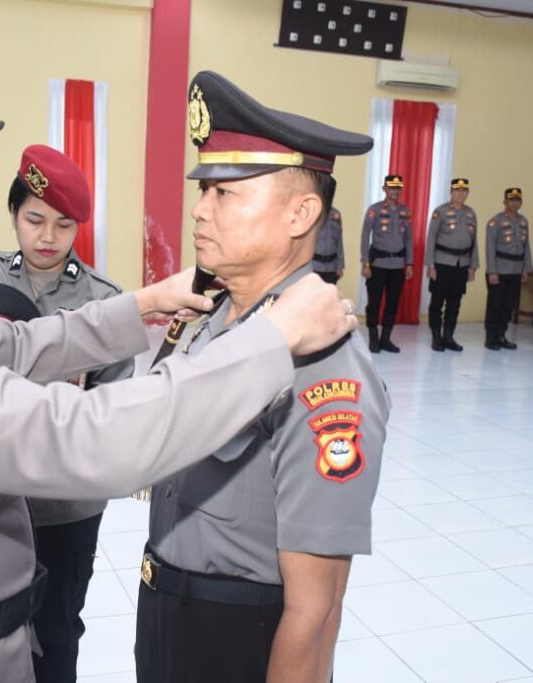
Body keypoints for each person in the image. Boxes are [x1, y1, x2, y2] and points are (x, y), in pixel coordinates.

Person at [0, 54, 356, 683]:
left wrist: (143, 303)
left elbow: (11, 346)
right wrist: (272, 339)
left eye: (225, 192)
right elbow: (84, 439)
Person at [135, 70, 390, 683]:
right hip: (165, 609)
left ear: (301, 213)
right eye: (204, 190)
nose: (200, 209)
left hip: (239, 638)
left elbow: (315, 609)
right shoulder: (211, 316)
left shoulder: (323, 363)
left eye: (225, 193)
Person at [0, 144, 133, 682]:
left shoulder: (102, 300)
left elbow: (115, 406)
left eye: (63, 224)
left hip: (65, 504)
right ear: (13, 215)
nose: (48, 237)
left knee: (57, 632)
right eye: (34, 220)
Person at [360, 175, 413, 353]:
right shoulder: (374, 210)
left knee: (392, 304)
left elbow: (409, 239)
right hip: (377, 265)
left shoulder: (405, 211)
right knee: (374, 304)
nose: (394, 191)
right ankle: (373, 338)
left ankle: (385, 338)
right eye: (391, 188)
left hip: (397, 266)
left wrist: (410, 263)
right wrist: (365, 262)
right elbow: (365, 236)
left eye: (398, 188)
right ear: (384, 189)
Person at [425, 178, 478, 352]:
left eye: (464, 191)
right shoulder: (440, 212)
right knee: (437, 302)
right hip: (442, 262)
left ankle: (448, 336)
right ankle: (436, 337)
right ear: (451, 192)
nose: (460, 194)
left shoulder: (471, 213)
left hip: (462, 264)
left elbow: (474, 242)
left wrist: (473, 266)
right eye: (457, 190)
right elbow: (431, 239)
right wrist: (430, 265)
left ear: (467, 193)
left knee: (455, 303)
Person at [484, 187, 532, 350]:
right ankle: (491, 338)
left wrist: (526, 268)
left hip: (516, 270)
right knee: (495, 306)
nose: (514, 203)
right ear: (505, 202)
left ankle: (501, 335)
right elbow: (490, 248)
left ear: (521, 202)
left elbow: (526, 247)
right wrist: (492, 271)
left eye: (517, 200)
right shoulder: (495, 222)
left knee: (508, 306)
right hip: (499, 269)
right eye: (511, 200)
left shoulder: (523, 222)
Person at [310, 206, 344, 284]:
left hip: (331, 267)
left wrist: (340, 266)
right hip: (314, 266)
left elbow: (339, 241)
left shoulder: (336, 214)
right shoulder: (312, 212)